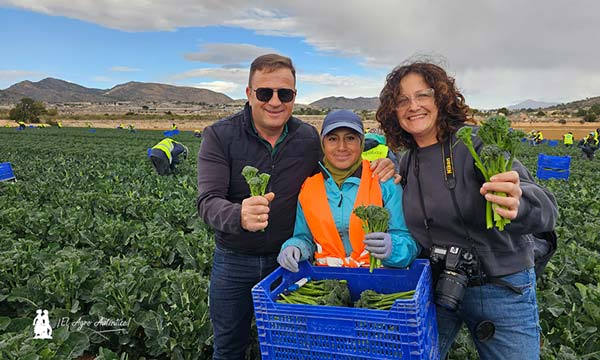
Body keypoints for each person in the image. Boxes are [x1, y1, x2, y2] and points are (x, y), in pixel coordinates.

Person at [196, 53, 396, 360]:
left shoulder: (305, 137)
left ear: (294, 97)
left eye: (284, 93)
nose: (275, 101)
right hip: (234, 261)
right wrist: (237, 215)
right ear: (249, 94)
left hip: (293, 262)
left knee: (289, 347)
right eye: (265, 92)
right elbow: (207, 202)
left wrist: (388, 163)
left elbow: (342, 160)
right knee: (229, 346)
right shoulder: (220, 136)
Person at [376, 61, 558, 359]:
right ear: (393, 111)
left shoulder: (474, 143)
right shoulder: (407, 160)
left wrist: (519, 203)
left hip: (501, 288)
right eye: (402, 100)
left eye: (423, 95)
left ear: (441, 98)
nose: (413, 106)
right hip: (439, 287)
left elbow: (546, 209)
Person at [277, 110, 419, 272]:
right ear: (323, 145)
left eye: (350, 138)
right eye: (332, 139)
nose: (342, 147)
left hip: (378, 283)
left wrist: (394, 248)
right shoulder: (309, 187)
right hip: (327, 283)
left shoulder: (385, 181)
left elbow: (410, 244)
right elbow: (304, 237)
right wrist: (295, 247)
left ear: (361, 142)